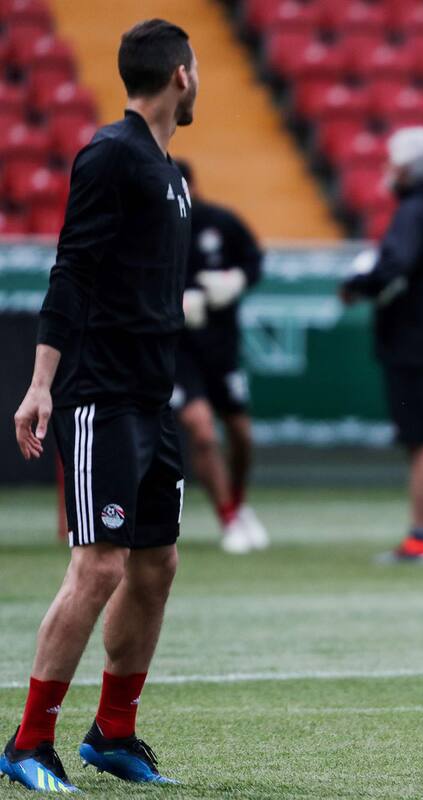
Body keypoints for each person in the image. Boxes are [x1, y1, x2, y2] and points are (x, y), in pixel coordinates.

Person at [3, 18, 200, 791]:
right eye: (198, 70)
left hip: (153, 399)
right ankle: (25, 743)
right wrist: (42, 382)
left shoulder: (169, 169)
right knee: (98, 566)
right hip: (102, 396)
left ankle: (113, 732)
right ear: (181, 74)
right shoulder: (111, 153)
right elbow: (72, 270)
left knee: (156, 564)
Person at [340, 126, 423, 563]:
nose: (387, 171)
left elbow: (396, 263)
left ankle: (419, 538)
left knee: (419, 438)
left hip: (414, 339)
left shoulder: (415, 210)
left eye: (394, 163)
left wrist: (357, 284)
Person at [172, 159, 268, 555]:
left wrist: (235, 280)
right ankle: (227, 516)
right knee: (202, 429)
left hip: (222, 347)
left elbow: (254, 260)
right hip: (176, 350)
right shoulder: (151, 229)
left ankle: (238, 501)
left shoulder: (220, 222)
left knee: (241, 433)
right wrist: (172, 304)